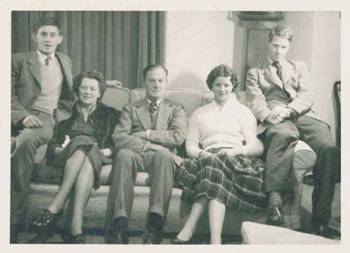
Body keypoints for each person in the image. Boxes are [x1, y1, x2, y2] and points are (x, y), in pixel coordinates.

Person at [245, 25, 340, 237]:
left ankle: (321, 219)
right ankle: (274, 202)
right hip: (275, 117)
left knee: (329, 148)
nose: (278, 50)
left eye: (283, 46)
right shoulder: (255, 72)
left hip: (301, 113)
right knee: (280, 135)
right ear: (268, 44)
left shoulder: (299, 67)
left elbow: (307, 96)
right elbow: (255, 100)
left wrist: (288, 109)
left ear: (289, 47)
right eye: (275, 45)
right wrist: (270, 115)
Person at [171, 64, 267, 244]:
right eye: (218, 85)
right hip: (206, 159)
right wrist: (202, 154)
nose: (222, 89)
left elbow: (256, 146)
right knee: (214, 164)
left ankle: (190, 227)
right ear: (211, 86)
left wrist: (234, 151)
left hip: (235, 159)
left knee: (216, 165)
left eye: (226, 85)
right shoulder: (199, 114)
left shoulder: (243, 112)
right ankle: (216, 239)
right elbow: (190, 145)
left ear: (233, 86)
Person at [30, 70, 120, 243]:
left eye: (92, 89)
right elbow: (52, 147)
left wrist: (106, 151)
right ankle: (75, 230)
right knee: (82, 141)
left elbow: (117, 144)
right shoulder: (65, 117)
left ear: (100, 93)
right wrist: (61, 149)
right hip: (66, 157)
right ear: (77, 90)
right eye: (83, 87)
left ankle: (56, 208)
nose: (87, 92)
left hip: (98, 156)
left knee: (85, 152)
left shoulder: (111, 115)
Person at [105, 64, 187, 244]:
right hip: (137, 154)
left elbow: (178, 137)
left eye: (160, 81)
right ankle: (119, 223)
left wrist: (147, 133)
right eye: (152, 80)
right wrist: (152, 145)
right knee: (123, 155)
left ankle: (154, 224)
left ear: (166, 83)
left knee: (164, 156)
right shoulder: (131, 108)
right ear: (145, 83)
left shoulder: (176, 108)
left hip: (163, 158)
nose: (156, 85)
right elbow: (119, 137)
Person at [11, 16, 76, 243]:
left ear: (60, 39)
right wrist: (22, 116)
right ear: (34, 37)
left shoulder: (64, 61)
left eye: (52, 35)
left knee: (25, 142)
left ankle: (13, 220)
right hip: (21, 114)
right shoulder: (18, 60)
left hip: (47, 118)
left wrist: (104, 84)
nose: (48, 39)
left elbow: (75, 87)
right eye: (43, 34)